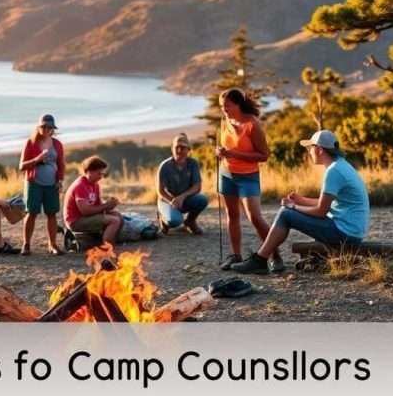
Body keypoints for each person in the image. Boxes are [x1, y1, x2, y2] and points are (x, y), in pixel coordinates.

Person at [232, 130, 370, 275]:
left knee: (286, 214)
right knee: (287, 212)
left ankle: (260, 260)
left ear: (319, 149)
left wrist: (294, 206)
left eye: (310, 148)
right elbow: (326, 204)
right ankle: (262, 258)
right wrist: (301, 200)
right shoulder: (340, 165)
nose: (309, 151)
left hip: (345, 235)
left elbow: (321, 211)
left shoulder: (334, 172)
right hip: (350, 231)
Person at [215, 88, 275, 271]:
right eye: (222, 107)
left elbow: (264, 155)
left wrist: (233, 154)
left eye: (227, 106)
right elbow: (224, 144)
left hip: (248, 177)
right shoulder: (225, 119)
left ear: (238, 104)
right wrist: (219, 152)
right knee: (232, 215)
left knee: (254, 217)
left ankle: (274, 254)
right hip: (227, 174)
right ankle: (236, 256)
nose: (224, 110)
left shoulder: (252, 124)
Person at [18, 114, 66, 255]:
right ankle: (26, 245)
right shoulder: (31, 142)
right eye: (43, 126)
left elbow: (61, 165)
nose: (46, 129)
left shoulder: (57, 144)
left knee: (52, 214)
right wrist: (37, 159)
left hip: (52, 184)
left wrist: (60, 180)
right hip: (34, 183)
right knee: (31, 213)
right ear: (38, 127)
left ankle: (52, 245)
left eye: (49, 127)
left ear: (53, 129)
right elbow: (22, 165)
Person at [155, 133, 209, 235]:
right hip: (167, 200)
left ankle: (190, 222)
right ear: (172, 149)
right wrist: (172, 201)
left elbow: (197, 187)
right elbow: (160, 191)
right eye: (177, 147)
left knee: (202, 200)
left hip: (185, 199)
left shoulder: (193, 164)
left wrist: (182, 197)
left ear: (188, 150)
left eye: (183, 147)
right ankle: (163, 219)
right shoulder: (165, 166)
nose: (179, 150)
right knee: (175, 221)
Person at [63, 156, 123, 247]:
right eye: (99, 174)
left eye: (102, 174)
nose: (101, 177)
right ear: (89, 172)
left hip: (86, 217)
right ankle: (107, 247)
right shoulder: (80, 186)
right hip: (76, 221)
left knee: (117, 215)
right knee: (114, 221)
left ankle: (109, 240)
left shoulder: (95, 184)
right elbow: (85, 211)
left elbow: (98, 205)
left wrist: (109, 204)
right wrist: (106, 206)